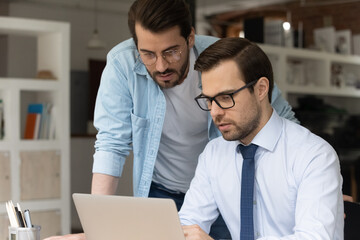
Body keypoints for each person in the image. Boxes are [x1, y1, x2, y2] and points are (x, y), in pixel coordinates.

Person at [44, 0, 297, 239]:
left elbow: (282, 120)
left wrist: (308, 185)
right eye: (148, 55)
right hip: (161, 193)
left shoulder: (227, 60)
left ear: (190, 38)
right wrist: (96, 227)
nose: (161, 66)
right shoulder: (121, 65)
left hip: (223, 191)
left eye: (171, 52)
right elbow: (111, 143)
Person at [179, 37, 344, 240]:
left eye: (225, 98)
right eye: (209, 100)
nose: (214, 112)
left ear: (261, 89)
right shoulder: (214, 154)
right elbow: (187, 224)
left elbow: (313, 237)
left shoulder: (314, 155)